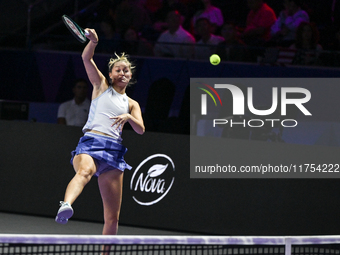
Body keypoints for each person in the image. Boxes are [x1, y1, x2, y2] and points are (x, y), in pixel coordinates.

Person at [55, 28, 145, 239]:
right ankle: (66, 205)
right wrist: (93, 42)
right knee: (84, 172)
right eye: (118, 70)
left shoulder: (132, 104)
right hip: (91, 143)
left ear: (130, 76)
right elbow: (86, 57)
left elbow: (141, 130)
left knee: (112, 218)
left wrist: (129, 118)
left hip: (114, 152)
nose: (122, 73)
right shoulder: (101, 85)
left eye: (126, 70)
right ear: (111, 74)